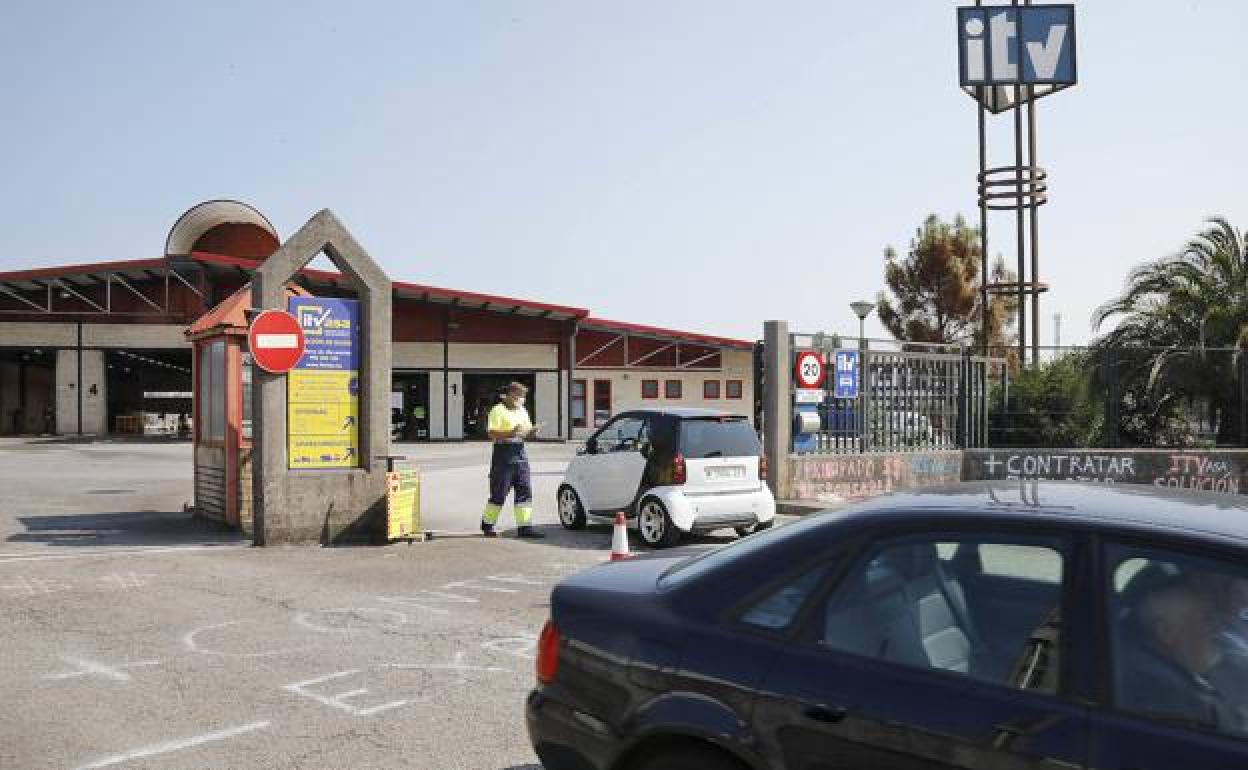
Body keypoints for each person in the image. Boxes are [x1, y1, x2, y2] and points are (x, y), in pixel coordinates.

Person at [1118, 578, 1236, 730]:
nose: (1218, 630)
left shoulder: (1173, 673)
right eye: (1207, 619)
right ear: (1166, 632)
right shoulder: (1180, 702)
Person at [480, 382, 544, 539]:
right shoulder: (498, 410)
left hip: (520, 453)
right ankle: (487, 525)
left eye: (523, 396)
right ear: (508, 395)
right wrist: (510, 433)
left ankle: (525, 527)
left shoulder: (522, 410)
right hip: (503, 454)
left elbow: (526, 433)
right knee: (499, 493)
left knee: (524, 491)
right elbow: (492, 433)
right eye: (518, 395)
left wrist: (533, 433)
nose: (521, 399)